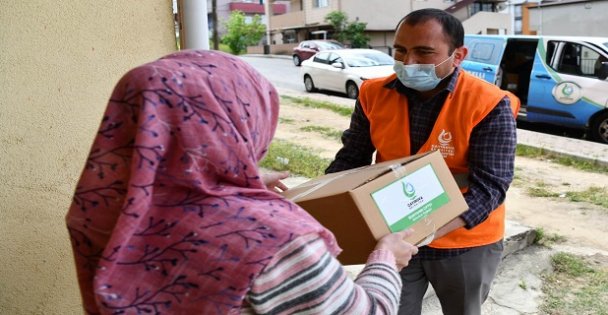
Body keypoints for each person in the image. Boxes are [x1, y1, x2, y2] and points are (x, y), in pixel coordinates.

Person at [65, 49, 419, 314]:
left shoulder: (101, 209)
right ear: (239, 121)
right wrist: (386, 259)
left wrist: (227, 183)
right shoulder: (273, 239)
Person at [325, 9, 520, 315]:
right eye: (400, 50)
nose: (408, 62)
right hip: (391, 235)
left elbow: (490, 187)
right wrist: (319, 204)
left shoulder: (488, 104)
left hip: (464, 239)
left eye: (424, 52)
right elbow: (351, 159)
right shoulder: (373, 94)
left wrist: (423, 231)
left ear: (458, 56)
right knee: (391, 308)